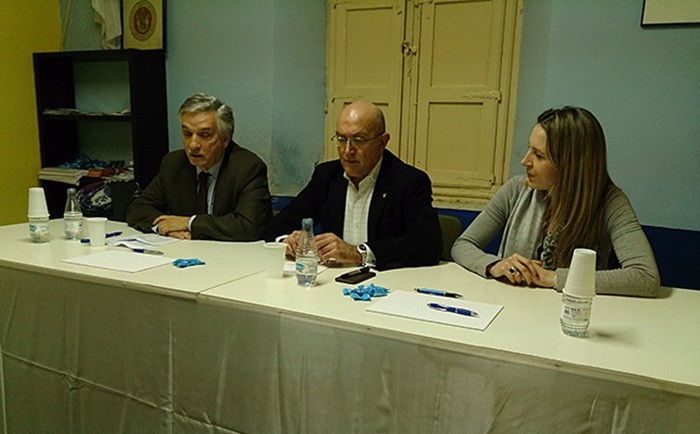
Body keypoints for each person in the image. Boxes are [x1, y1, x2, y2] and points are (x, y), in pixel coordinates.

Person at [451, 106, 660, 297]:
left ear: (572, 166)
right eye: (529, 149)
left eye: (539, 155)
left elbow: (645, 277)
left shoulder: (610, 202)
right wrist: (496, 266)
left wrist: (552, 278)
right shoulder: (516, 189)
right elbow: (463, 245)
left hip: (574, 315)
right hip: (512, 308)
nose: (525, 161)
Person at [264, 100, 441, 270]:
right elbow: (278, 224)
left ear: (382, 142)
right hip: (333, 280)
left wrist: (359, 253)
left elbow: (427, 245)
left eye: (358, 140)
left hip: (386, 283)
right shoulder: (326, 176)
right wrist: (287, 241)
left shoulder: (408, 181)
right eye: (341, 139)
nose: (348, 150)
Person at [127, 93, 271, 241]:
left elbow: (249, 226)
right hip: (185, 253)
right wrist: (166, 228)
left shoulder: (247, 168)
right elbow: (138, 209)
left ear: (225, 138)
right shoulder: (174, 163)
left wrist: (190, 223)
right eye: (187, 134)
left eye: (205, 135)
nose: (193, 145)